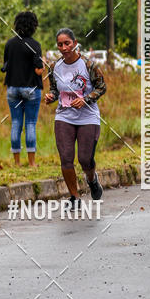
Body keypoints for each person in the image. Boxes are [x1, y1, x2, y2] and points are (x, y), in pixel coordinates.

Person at [44, 28, 106, 207]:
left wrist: (86, 99)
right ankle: (75, 197)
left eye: (67, 43)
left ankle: (92, 179)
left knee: (85, 159)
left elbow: (101, 87)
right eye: (60, 45)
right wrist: (51, 97)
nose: (64, 48)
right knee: (66, 157)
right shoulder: (55, 67)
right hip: (65, 116)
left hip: (88, 116)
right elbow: (55, 90)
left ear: (75, 43)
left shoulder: (89, 65)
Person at [3, 11, 44, 167]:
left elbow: (6, 66)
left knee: (16, 123)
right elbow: (38, 71)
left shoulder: (9, 44)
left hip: (12, 89)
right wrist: (44, 62)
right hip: (31, 89)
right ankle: (32, 162)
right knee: (30, 124)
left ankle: (17, 162)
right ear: (33, 26)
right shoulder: (35, 45)